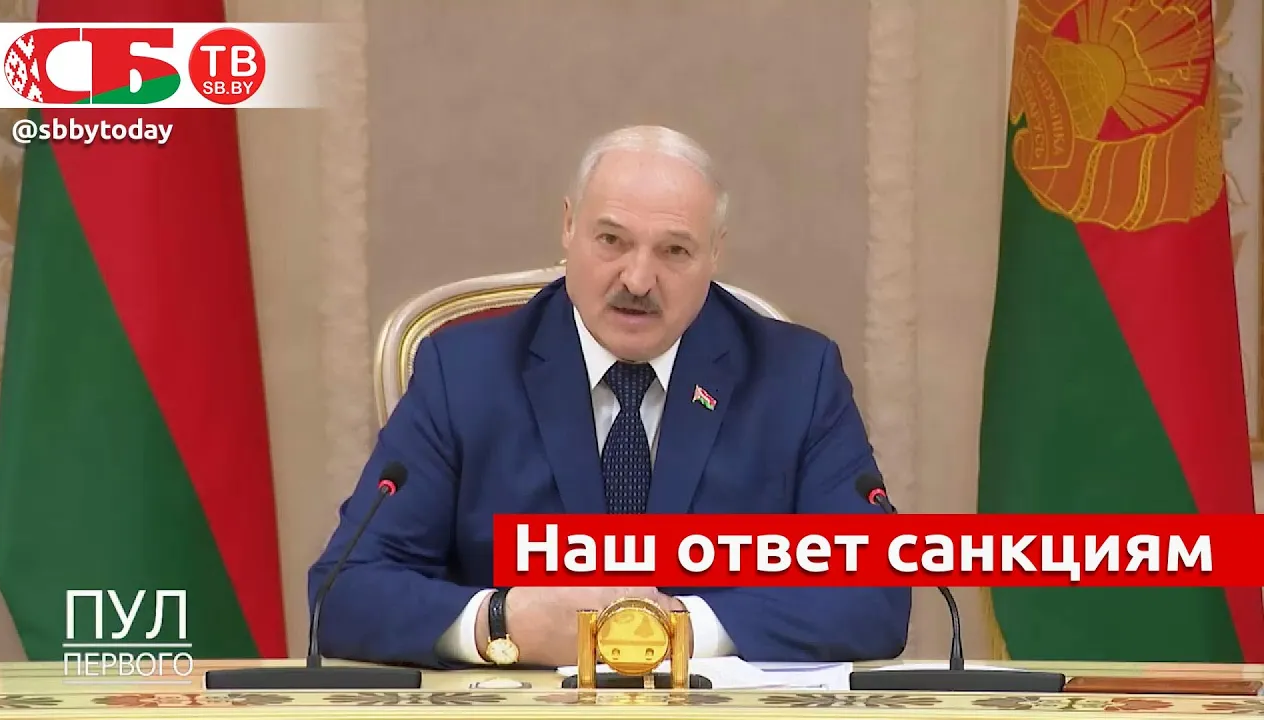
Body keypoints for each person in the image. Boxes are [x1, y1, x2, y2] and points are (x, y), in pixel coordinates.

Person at [308, 125, 911, 669]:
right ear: (568, 227)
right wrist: (502, 622)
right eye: (612, 240)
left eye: (675, 251)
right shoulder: (464, 373)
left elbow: (877, 594)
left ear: (715, 254)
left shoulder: (796, 377)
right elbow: (344, 591)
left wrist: (676, 629)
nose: (638, 280)